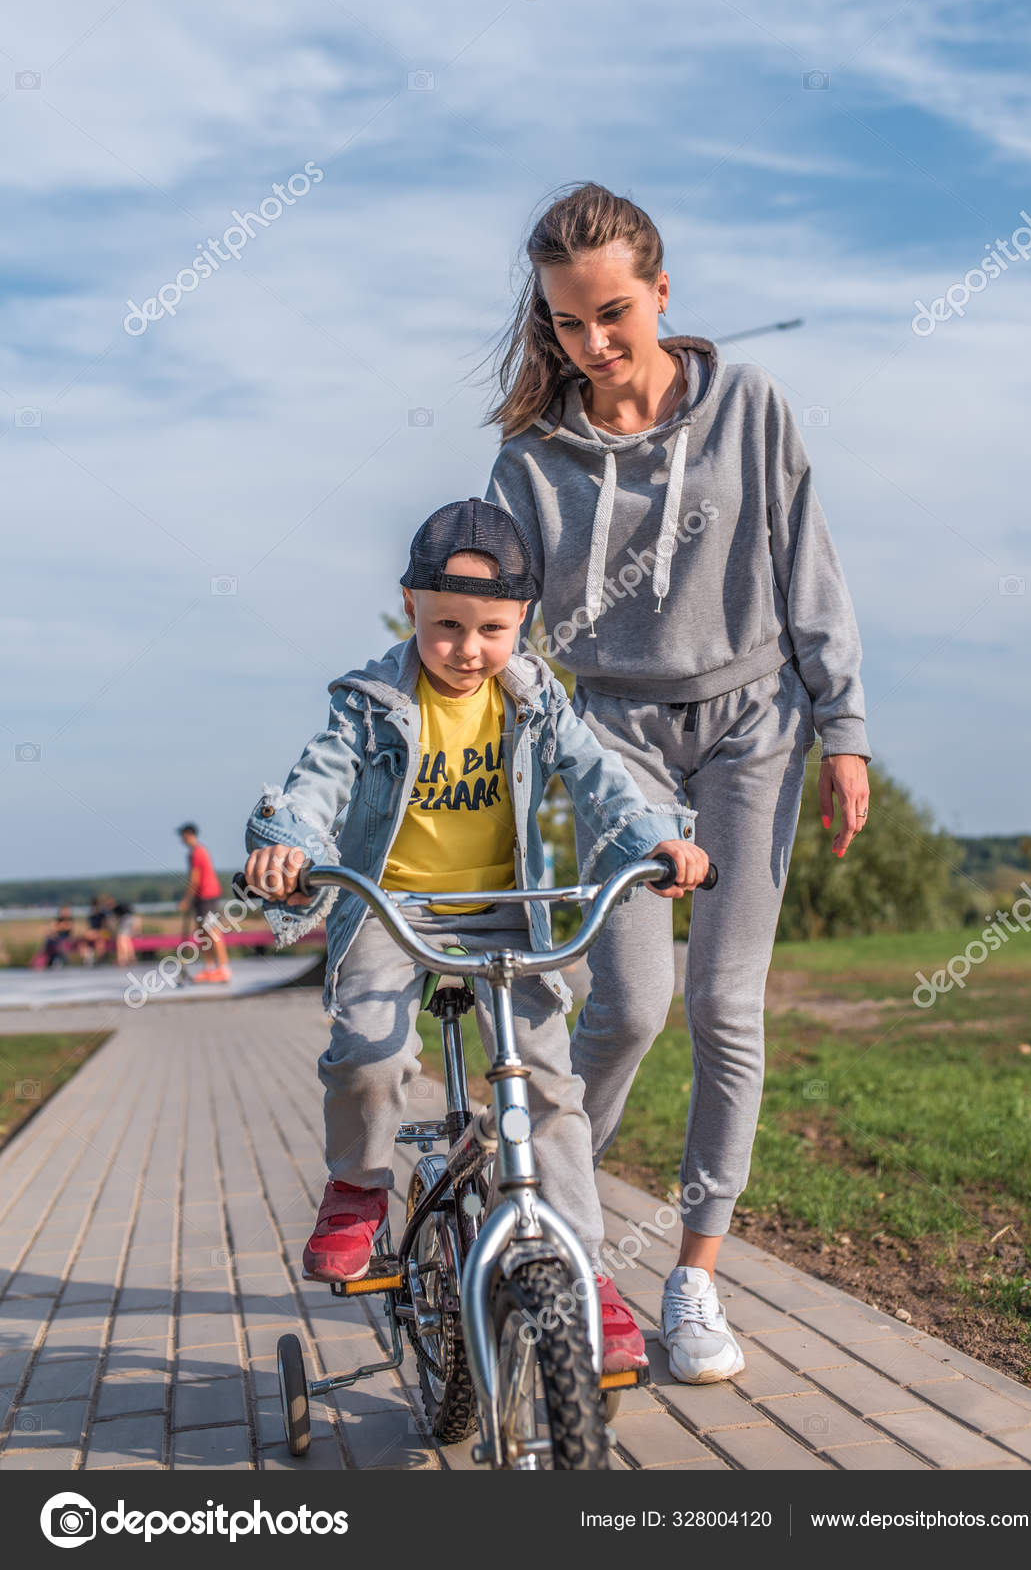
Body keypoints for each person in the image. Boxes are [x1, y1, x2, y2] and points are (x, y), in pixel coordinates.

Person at [484, 182, 872, 1386]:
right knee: (632, 1007)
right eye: (565, 324)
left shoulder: (751, 406)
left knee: (727, 1006)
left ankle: (696, 1275)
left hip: (758, 719)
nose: (593, 345)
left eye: (613, 314)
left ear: (662, 292)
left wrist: (844, 727)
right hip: (617, 745)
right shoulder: (531, 461)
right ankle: (554, 1226)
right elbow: (500, 638)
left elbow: (807, 564)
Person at [241, 498, 710, 1374]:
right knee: (369, 1054)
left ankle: (580, 1269)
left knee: (549, 1088)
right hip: (392, 908)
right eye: (446, 625)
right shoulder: (373, 705)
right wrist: (289, 849)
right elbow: (316, 784)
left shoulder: (536, 702)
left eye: (491, 629)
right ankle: (358, 1186)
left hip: (504, 909)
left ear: (522, 621)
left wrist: (656, 840)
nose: (467, 649)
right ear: (410, 605)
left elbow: (603, 778)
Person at [177, 824, 231, 983]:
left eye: (182, 835)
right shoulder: (197, 851)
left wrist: (186, 901)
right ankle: (209, 968)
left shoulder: (197, 852)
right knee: (203, 933)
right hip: (201, 898)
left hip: (207, 896)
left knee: (213, 932)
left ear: (188, 834)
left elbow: (195, 879)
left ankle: (223, 968)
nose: (181, 839)